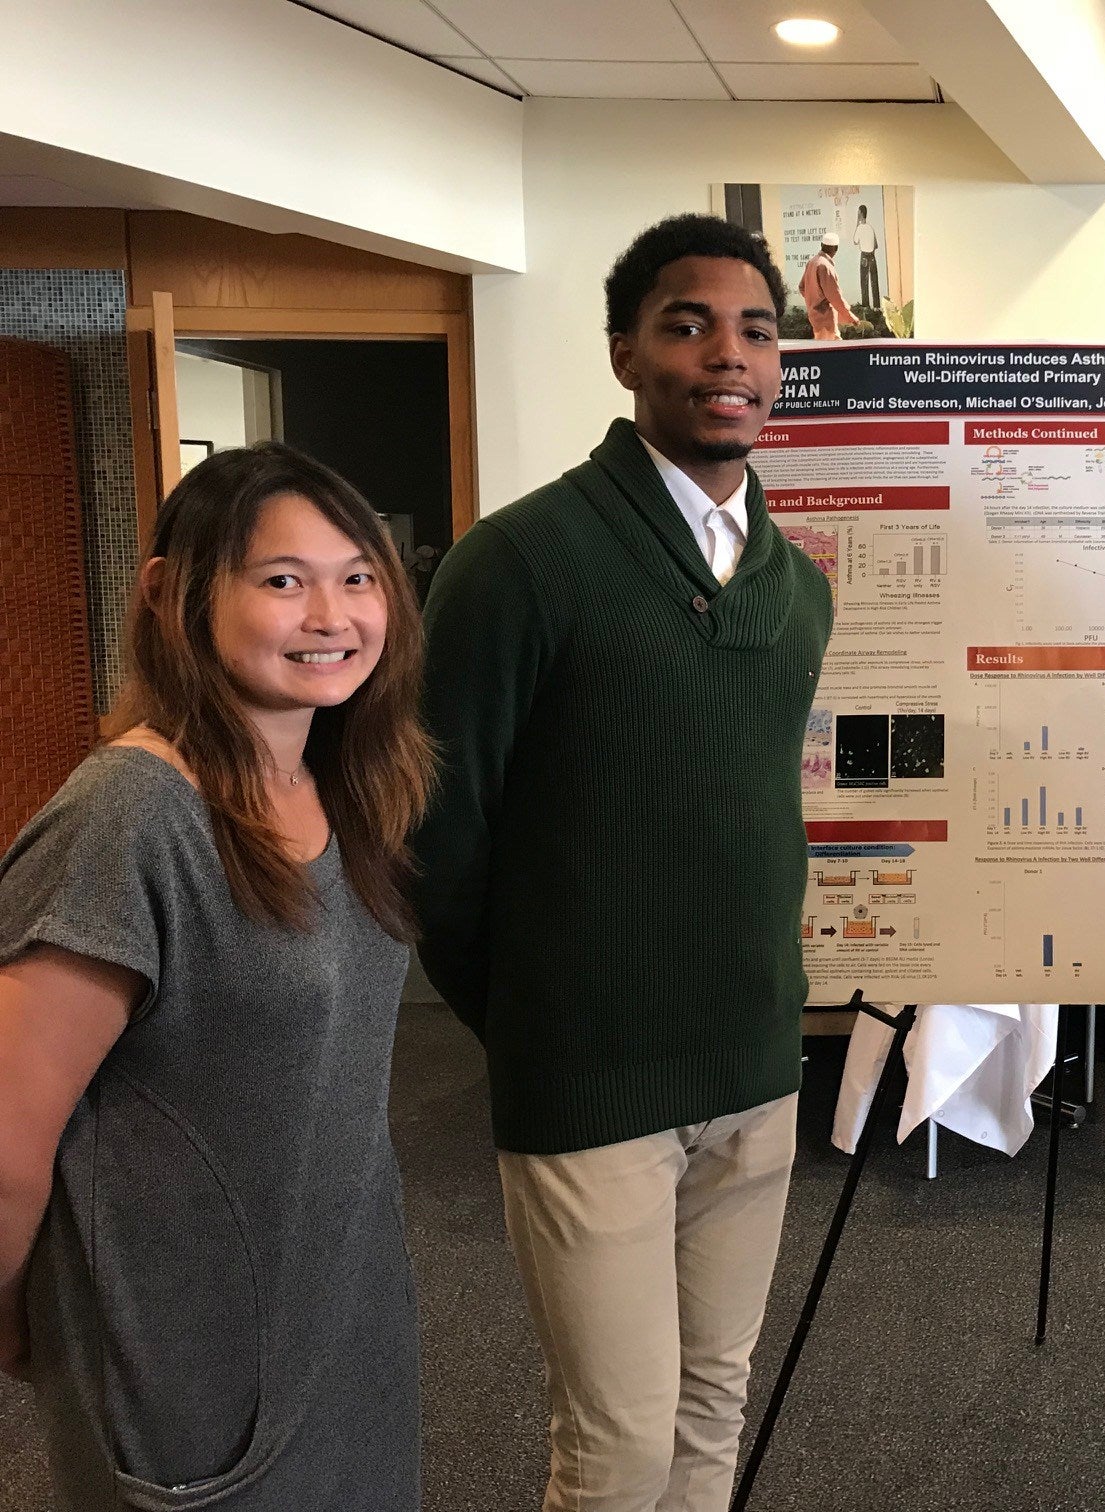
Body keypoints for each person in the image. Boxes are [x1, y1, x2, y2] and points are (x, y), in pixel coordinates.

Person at [412, 212, 833, 1512]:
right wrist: (546, 1017)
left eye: (756, 330)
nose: (729, 355)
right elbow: (439, 836)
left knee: (715, 1406)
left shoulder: (795, 585)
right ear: (624, 354)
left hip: (755, 1066)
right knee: (618, 1449)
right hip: (591, 1079)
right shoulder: (521, 565)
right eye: (688, 323)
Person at [0, 443, 433, 1509]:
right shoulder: (131, 817)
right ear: (172, 593)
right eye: (283, 580)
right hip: (183, 1370)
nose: (332, 614)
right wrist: (23, 1322)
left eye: (358, 577)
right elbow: (4, 1136)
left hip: (336, 1324)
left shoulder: (340, 782)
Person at [798, 230, 855, 340]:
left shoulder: (812, 262)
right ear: (836, 249)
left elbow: (802, 287)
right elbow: (834, 296)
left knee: (828, 347)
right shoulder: (825, 266)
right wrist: (849, 316)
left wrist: (813, 302)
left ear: (821, 245)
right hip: (826, 318)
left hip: (816, 317)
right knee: (830, 351)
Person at [853, 202, 881, 311]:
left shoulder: (860, 228)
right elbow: (876, 245)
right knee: (874, 280)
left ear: (860, 214)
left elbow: (855, 241)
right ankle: (877, 306)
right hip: (872, 256)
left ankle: (866, 305)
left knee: (864, 281)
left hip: (864, 256)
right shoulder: (870, 228)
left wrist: (857, 223)